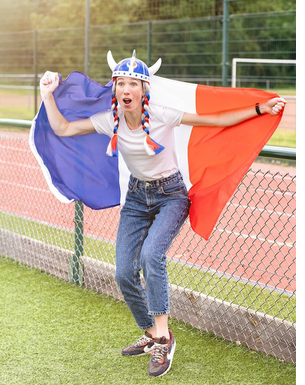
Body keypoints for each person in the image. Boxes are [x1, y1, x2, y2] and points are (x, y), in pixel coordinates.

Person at [39, 50, 286, 377]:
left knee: (151, 256)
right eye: (121, 83)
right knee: (124, 272)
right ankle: (152, 332)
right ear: (115, 88)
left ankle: (163, 342)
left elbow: (216, 120)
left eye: (134, 84)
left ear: (144, 90)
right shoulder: (108, 120)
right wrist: (46, 94)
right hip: (137, 199)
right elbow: (64, 129)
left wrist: (259, 108)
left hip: (171, 195)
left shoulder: (161, 115)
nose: (127, 89)